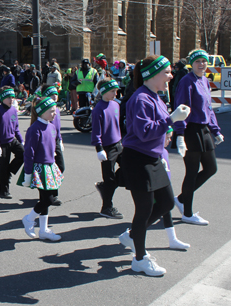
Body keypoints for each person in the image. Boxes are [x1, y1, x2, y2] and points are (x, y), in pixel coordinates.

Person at [118, 54, 190, 276]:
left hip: (153, 158)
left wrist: (171, 131)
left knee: (167, 202)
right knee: (145, 209)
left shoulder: (156, 97)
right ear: (152, 75)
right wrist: (171, 120)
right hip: (138, 159)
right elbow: (144, 131)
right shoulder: (140, 98)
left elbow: (157, 128)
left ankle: (132, 235)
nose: (170, 76)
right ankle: (139, 258)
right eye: (167, 72)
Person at [173, 49, 224, 225]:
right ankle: (187, 212)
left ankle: (180, 198)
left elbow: (209, 108)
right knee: (192, 172)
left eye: (204, 61)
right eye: (198, 61)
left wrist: (215, 130)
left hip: (204, 129)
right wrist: (180, 134)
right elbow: (181, 108)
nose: (201, 64)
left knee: (211, 168)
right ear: (191, 64)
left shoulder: (204, 81)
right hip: (190, 129)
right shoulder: (187, 81)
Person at [19, 97, 64, 241]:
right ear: (42, 112)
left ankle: (44, 230)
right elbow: (29, 153)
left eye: (55, 110)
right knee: (48, 199)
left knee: (46, 198)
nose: (54, 114)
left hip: (50, 167)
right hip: (39, 169)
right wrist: (28, 173)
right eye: (51, 111)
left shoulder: (51, 127)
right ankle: (29, 219)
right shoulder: (34, 129)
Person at [90, 78, 124, 219]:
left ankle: (105, 187)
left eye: (116, 90)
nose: (115, 93)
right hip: (107, 148)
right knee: (109, 178)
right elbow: (96, 132)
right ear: (103, 91)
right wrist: (99, 149)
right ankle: (106, 208)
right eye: (112, 91)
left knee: (129, 170)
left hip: (119, 144)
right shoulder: (98, 109)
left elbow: (119, 125)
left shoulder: (116, 104)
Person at [0, 87, 25, 199]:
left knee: (23, 154)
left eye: (12, 97)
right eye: (9, 97)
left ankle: (10, 171)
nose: (11, 99)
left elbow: (16, 128)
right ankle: (3, 191)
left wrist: (21, 140)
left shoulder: (14, 110)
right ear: (3, 98)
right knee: (3, 167)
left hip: (12, 140)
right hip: (2, 143)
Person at [160, 127, 191, 249]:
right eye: (167, 138)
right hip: (155, 189)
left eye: (170, 137)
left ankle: (173, 239)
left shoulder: (165, 152)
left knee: (167, 211)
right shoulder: (155, 152)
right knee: (146, 215)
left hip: (165, 186)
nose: (169, 140)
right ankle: (132, 236)